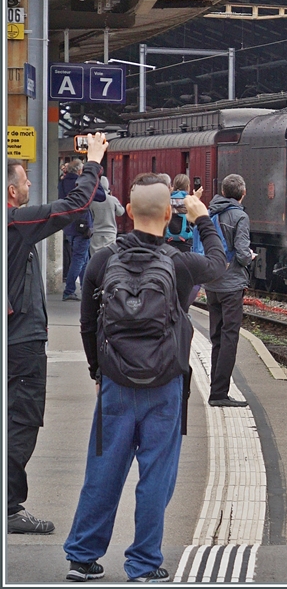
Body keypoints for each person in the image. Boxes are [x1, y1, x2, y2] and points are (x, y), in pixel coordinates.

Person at [63, 173, 227, 583]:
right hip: (165, 384)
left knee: (103, 470)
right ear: (169, 213)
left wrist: (98, 372)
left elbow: (87, 324)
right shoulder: (180, 264)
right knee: (156, 474)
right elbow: (219, 265)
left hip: (115, 382)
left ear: (130, 212)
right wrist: (202, 217)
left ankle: (82, 557)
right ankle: (143, 563)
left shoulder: (103, 260)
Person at [7, 136, 108, 535]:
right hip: (20, 342)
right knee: (21, 420)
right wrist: (93, 161)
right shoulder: (14, 223)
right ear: (11, 191)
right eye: (25, 181)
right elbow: (75, 206)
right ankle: (8, 507)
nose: (31, 185)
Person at [203, 174, 255, 408]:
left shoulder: (210, 212)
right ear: (242, 193)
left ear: (223, 192)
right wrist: (250, 257)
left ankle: (216, 388)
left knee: (216, 337)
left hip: (212, 283)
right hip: (231, 285)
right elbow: (242, 253)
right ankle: (219, 393)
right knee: (229, 338)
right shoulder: (239, 216)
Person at [61, 157, 98, 301]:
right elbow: (100, 196)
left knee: (84, 258)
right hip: (82, 226)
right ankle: (69, 290)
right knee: (79, 259)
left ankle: (86, 287)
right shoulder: (80, 183)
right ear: (79, 171)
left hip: (69, 225)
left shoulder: (63, 182)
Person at [88, 175, 125, 254]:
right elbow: (120, 212)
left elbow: (90, 216)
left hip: (96, 233)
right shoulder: (112, 199)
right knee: (109, 255)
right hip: (110, 232)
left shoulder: (92, 201)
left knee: (95, 256)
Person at [164, 174, 194, 252]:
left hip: (169, 240)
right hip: (186, 240)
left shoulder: (167, 200)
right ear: (188, 186)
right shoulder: (190, 200)